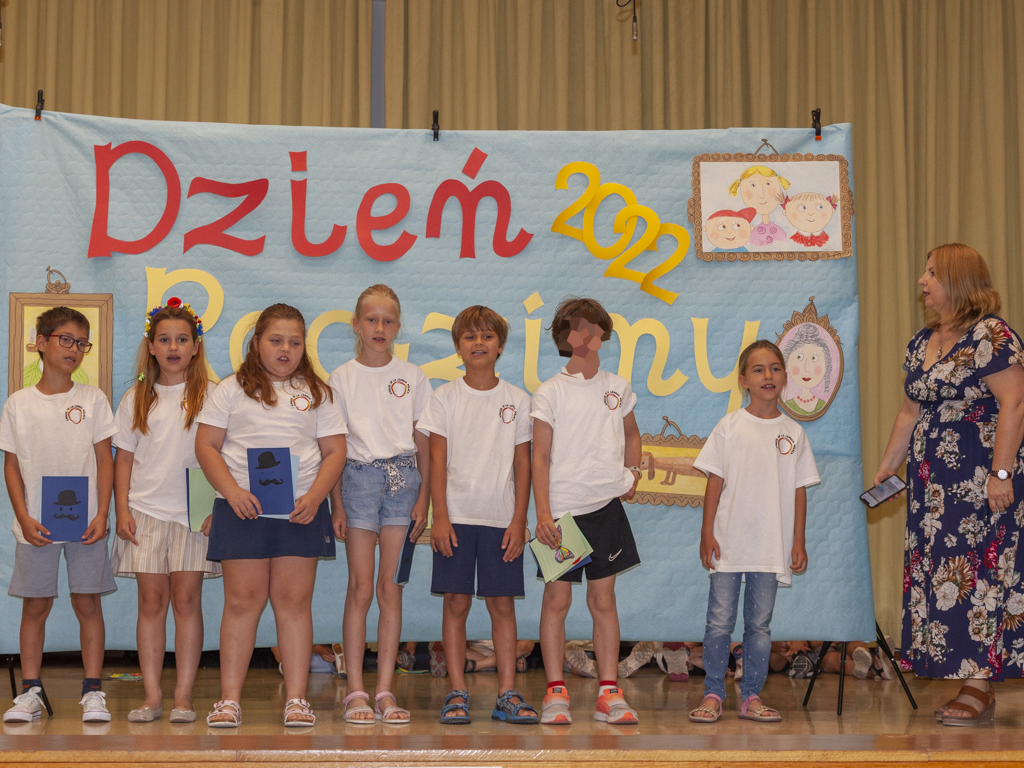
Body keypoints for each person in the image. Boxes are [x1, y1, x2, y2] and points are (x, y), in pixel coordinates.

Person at [874, 243, 1024, 727]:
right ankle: (968, 676)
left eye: (933, 273)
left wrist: (1001, 473)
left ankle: (978, 684)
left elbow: (1015, 402)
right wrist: (888, 467)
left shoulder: (990, 335)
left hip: (980, 479)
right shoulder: (922, 341)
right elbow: (910, 411)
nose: (922, 280)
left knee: (980, 575)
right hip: (933, 486)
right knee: (944, 573)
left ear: (958, 281)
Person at [196, 304, 346, 728]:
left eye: (295, 342)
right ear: (256, 342)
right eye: (276, 340)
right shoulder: (230, 390)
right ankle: (229, 700)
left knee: (294, 603)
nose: (285, 349)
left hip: (300, 510)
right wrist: (232, 492)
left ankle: (297, 699)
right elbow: (206, 446)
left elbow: (335, 452)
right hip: (242, 509)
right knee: (241, 602)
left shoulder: (318, 393)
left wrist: (316, 497)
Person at [688, 340, 819, 723]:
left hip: (770, 546)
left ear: (785, 377)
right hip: (728, 542)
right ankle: (713, 693)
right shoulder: (729, 427)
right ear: (744, 380)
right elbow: (714, 482)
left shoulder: (793, 432)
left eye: (775, 368)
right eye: (758, 370)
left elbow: (799, 491)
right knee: (719, 623)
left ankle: (751, 697)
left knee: (759, 626)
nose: (768, 376)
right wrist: (706, 533)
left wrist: (798, 540)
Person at [418, 305, 536, 725]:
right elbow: (436, 461)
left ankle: (507, 693)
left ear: (500, 346)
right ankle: (457, 691)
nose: (479, 343)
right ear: (458, 346)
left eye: (487, 336)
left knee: (502, 605)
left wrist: (519, 521)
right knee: (455, 603)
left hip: (502, 521)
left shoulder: (518, 400)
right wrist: (440, 517)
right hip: (455, 519)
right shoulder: (444, 397)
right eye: (470, 336)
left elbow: (523, 465)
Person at [1, 307, 118, 723]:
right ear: (41, 342)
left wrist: (102, 513)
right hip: (36, 524)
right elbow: (11, 466)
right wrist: (23, 516)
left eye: (82, 343)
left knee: (88, 602)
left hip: (86, 524)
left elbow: (105, 459)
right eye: (65, 339)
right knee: (36, 605)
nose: (74, 349)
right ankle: (30, 692)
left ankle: (93, 690)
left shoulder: (93, 399)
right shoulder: (18, 403)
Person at [532, 297, 642, 726]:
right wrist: (543, 513)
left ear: (603, 333)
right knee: (557, 600)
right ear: (565, 337)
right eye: (576, 329)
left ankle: (609, 693)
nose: (586, 335)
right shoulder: (550, 392)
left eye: (593, 327)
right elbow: (539, 457)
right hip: (561, 516)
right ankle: (555, 692)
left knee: (603, 600)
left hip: (606, 509)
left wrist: (633, 473)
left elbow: (632, 434)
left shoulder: (618, 387)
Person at [110, 299, 218, 723]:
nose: (173, 347)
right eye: (165, 339)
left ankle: (183, 696)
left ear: (195, 346)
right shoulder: (135, 397)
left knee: (187, 601)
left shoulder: (212, 396)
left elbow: (226, 454)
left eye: (182, 339)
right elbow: (123, 459)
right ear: (151, 346)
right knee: (151, 602)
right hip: (145, 511)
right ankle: (152, 695)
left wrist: (218, 504)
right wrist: (122, 509)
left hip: (195, 513)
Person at [327, 285, 430, 724]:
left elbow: (424, 443)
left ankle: (385, 690)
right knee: (360, 587)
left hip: (404, 481)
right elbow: (332, 446)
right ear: (356, 324)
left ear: (398, 327)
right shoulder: (341, 378)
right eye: (371, 319)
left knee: (391, 588)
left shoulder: (414, 377)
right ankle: (356, 690)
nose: (379, 328)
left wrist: (424, 497)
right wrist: (336, 503)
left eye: (388, 321)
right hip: (357, 480)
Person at [727, 166, 790, 248]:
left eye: (768, 184)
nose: (762, 194)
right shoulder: (750, 236)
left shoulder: (780, 234)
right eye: (753, 185)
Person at [782, 324, 835, 417]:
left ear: (826, 365)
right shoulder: (788, 404)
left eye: (814, 358)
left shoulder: (822, 404)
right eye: (799, 357)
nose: (806, 368)